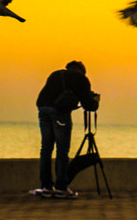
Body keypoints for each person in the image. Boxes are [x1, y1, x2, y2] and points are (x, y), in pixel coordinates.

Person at [31, 60, 100, 198]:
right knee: (62, 150)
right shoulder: (81, 79)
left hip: (43, 110)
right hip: (59, 114)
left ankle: (46, 187)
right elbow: (88, 105)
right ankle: (61, 187)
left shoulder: (55, 75)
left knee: (46, 149)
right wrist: (95, 101)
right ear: (82, 71)